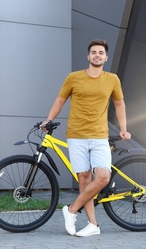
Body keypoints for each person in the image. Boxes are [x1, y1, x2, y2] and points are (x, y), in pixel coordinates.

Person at [43, 39, 131, 237]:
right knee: (84, 179)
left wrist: (124, 129)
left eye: (101, 52)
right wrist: (48, 119)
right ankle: (93, 225)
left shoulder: (112, 79)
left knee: (102, 177)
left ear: (106, 57)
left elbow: (119, 104)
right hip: (76, 135)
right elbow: (60, 100)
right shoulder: (74, 78)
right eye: (94, 52)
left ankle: (71, 210)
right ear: (88, 56)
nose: (97, 55)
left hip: (99, 135)